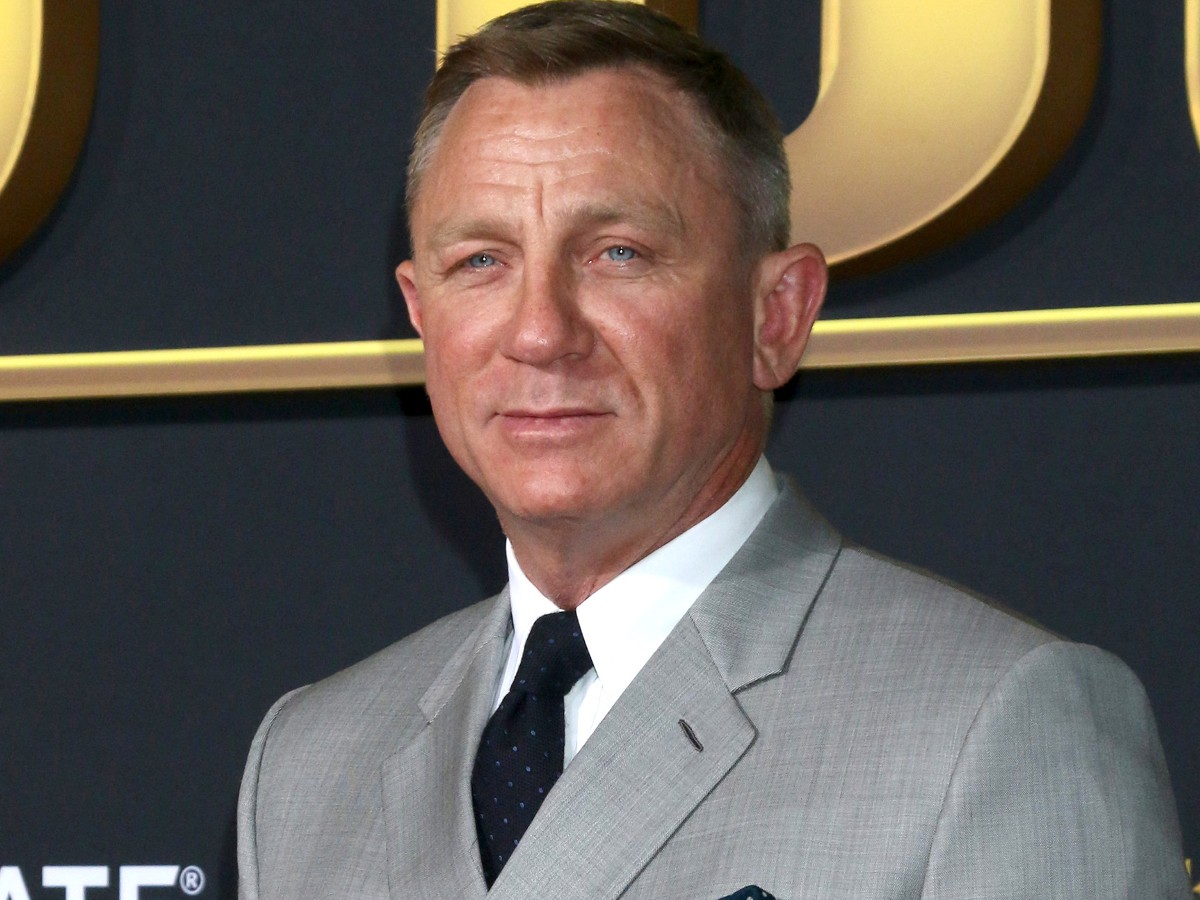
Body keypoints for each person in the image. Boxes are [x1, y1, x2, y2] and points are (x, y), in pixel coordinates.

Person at [236, 3, 1189, 897]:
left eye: (618, 253)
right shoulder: (312, 762)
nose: (539, 332)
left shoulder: (1000, 726)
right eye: (480, 262)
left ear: (775, 316)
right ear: (419, 314)